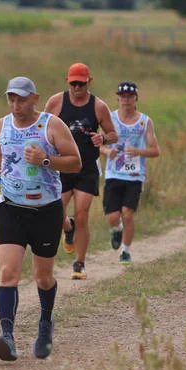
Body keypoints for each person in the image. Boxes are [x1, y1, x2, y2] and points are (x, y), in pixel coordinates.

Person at [0, 76, 80, 361]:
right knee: (8, 273)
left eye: (21, 99)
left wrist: (45, 160)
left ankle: (45, 324)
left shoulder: (52, 125)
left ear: (34, 98)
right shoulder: (3, 125)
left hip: (46, 210)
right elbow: (2, 156)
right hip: (11, 207)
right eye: (11, 99)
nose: (16, 105)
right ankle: (7, 337)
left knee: (43, 277)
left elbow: (75, 161)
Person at [44, 63, 116, 280]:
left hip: (86, 166)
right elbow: (41, 127)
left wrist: (102, 138)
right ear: (68, 82)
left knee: (83, 213)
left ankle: (79, 263)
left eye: (81, 84)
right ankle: (68, 228)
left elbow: (113, 134)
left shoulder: (99, 107)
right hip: (62, 165)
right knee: (58, 212)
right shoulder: (56, 102)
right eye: (73, 83)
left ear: (89, 82)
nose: (77, 87)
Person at [101, 82, 160, 264]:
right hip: (113, 173)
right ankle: (117, 229)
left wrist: (138, 152)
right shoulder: (109, 118)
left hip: (135, 175)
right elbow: (98, 143)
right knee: (112, 216)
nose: (126, 100)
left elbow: (155, 150)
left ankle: (125, 251)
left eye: (130, 96)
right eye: (123, 96)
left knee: (127, 213)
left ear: (136, 99)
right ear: (118, 98)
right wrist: (106, 151)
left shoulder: (144, 121)